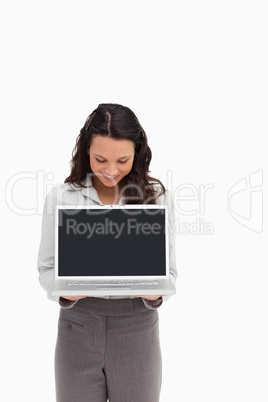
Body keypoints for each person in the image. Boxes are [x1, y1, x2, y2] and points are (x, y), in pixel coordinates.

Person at [37, 103, 177, 402]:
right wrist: (62, 291)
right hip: (78, 325)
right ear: (86, 151)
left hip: (137, 326)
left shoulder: (156, 198)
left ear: (137, 153)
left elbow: (171, 272)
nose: (111, 171)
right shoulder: (63, 197)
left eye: (123, 160)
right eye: (100, 159)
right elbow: (46, 268)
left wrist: (156, 294)